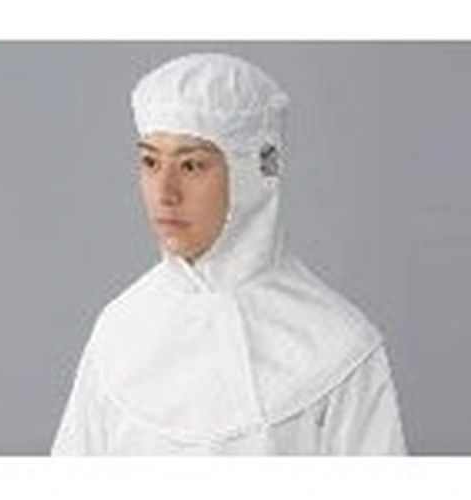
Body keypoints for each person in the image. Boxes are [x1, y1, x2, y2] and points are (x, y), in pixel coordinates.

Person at [50, 52, 408, 455]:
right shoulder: (119, 331)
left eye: (191, 166)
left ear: (254, 175)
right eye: (150, 162)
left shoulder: (338, 347)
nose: (165, 193)